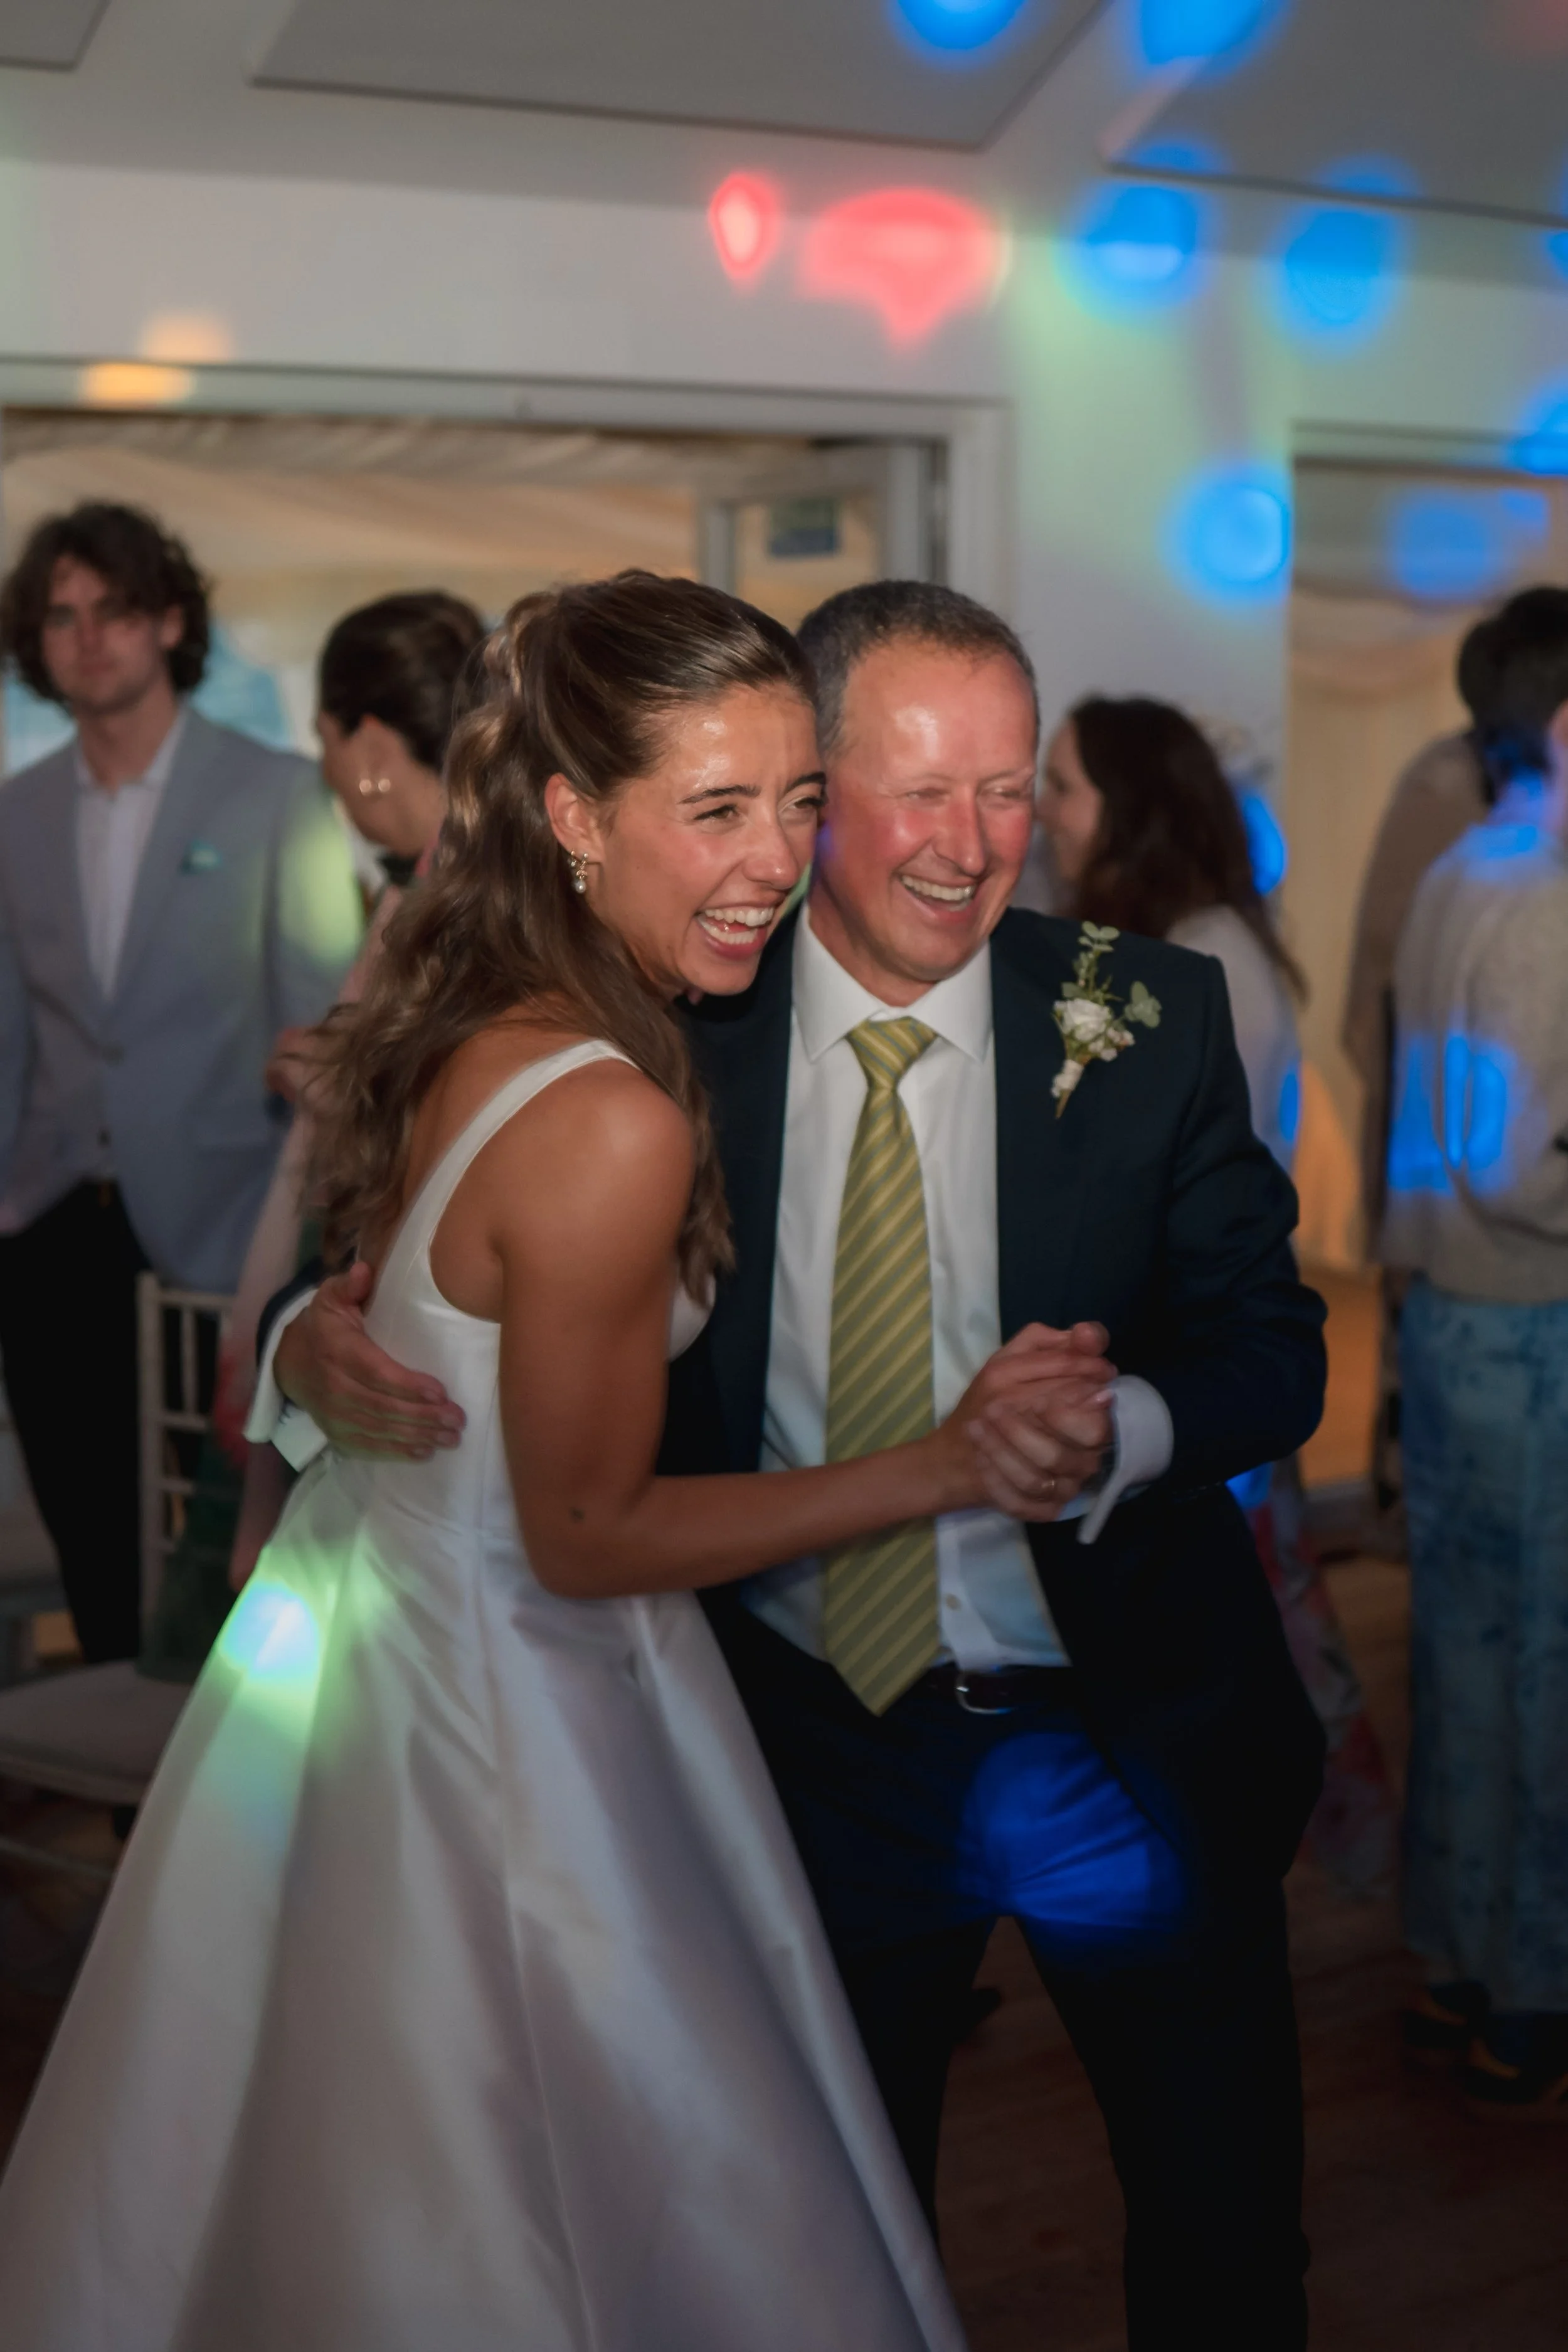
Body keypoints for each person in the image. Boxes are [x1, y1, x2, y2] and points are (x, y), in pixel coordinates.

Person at [0, 572, 1105, 2351]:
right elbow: (573, 1519)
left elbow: (411, 1306)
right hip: (520, 1682)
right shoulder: (616, 1094)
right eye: (720, 807)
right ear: (577, 815)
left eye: (801, 796)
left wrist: (315, 1347)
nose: (775, 856)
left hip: (396, 1652)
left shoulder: (496, 993)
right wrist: (954, 1457)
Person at [264, 580, 1329, 2349]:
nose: (972, 843)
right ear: (807, 782)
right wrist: (304, 1347)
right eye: (915, 788)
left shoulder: (1148, 1015)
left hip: (1119, 1721)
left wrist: (1118, 1432)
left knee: (1223, 2225)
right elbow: (405, 1260)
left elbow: (1269, 1346)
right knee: (820, 2232)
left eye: (1007, 787)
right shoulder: (669, 1017)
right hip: (797, 1737)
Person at [1037, 692, 1397, 1897]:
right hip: (1158, 1354)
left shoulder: (1211, 963)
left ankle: (1333, 1857)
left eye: (1064, 785)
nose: (1043, 812)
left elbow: (1187, 1197)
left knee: (1257, 1624)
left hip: (1198, 1356)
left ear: (1133, 805)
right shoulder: (1134, 943)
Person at [0, 502, 361, 1663]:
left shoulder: (274, 793)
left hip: (220, 1235)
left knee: (236, 1549)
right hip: (52, 1225)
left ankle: (224, 1813)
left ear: (168, 624)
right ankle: (125, 1821)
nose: (87, 637)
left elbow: (321, 1029)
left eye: (113, 610)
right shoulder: (16, 812)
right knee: (94, 1546)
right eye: (60, 615)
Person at [1382, 711, 1568, 2119]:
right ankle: (1533, 1995)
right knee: (1537, 1670)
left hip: (1450, 1310)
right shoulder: (1541, 893)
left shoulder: (1465, 864)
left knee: (1464, 1649)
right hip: (1528, 1317)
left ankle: (1452, 1963)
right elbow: (1520, 1166)